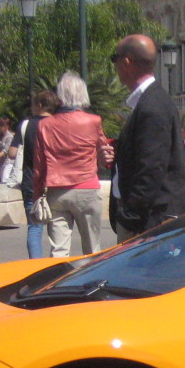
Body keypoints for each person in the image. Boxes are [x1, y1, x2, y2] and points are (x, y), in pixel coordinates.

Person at [107, 34, 185, 242]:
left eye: (114, 59)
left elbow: (151, 167)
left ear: (126, 62)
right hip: (148, 218)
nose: (115, 67)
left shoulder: (152, 106)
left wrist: (130, 218)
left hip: (151, 221)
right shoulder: (149, 101)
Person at [34, 71, 108, 257]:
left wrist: (36, 194)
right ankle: (92, 282)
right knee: (92, 249)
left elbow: (39, 165)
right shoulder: (93, 121)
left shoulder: (45, 125)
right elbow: (105, 151)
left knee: (58, 251)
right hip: (87, 188)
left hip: (57, 190)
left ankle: (59, 284)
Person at [14, 89, 57, 258]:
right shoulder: (57, 123)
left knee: (34, 228)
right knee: (57, 227)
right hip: (54, 182)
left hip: (31, 181)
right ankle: (56, 265)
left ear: (39, 104)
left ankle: (35, 267)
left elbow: (12, 152)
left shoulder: (26, 124)